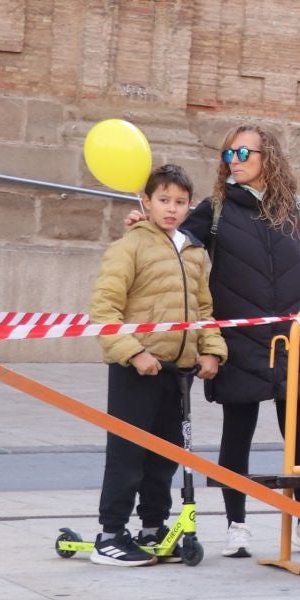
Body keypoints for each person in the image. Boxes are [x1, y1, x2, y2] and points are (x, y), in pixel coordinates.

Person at [175, 125, 300, 560]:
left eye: (243, 152)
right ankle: (236, 524)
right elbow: (175, 240)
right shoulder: (217, 210)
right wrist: (145, 223)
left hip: (293, 339)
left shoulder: (298, 210)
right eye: (228, 154)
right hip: (241, 340)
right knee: (237, 432)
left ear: (268, 156)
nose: (234, 161)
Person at [87, 164, 225, 565]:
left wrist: (211, 350)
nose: (171, 209)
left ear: (189, 206)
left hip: (178, 371)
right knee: (127, 454)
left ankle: (152, 526)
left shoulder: (194, 252)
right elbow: (104, 311)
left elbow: (204, 309)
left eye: (180, 202)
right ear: (146, 202)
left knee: (164, 456)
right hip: (137, 369)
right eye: (163, 200)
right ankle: (110, 534)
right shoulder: (128, 247)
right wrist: (134, 352)